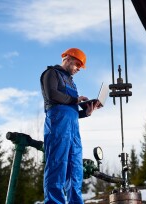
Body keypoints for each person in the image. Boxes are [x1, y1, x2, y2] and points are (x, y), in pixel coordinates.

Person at [40, 48, 100, 203]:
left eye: (81, 67)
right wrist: (75, 100)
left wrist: (85, 112)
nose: (79, 69)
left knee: (75, 169)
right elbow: (52, 95)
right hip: (57, 124)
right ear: (67, 58)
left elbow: (72, 110)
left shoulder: (72, 83)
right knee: (57, 166)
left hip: (73, 129)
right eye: (77, 64)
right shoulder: (51, 73)